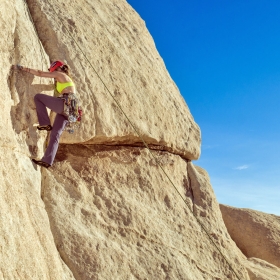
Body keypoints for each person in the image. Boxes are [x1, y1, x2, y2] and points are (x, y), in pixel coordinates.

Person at [16, 60, 76, 168]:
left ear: (56, 68)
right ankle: (47, 161)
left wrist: (25, 68)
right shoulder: (66, 79)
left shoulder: (59, 74)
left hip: (64, 103)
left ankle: (44, 123)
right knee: (55, 134)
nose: (52, 74)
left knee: (38, 97)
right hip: (70, 110)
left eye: (52, 71)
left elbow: (40, 73)